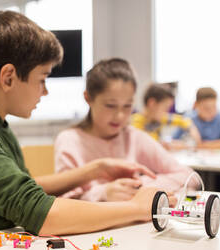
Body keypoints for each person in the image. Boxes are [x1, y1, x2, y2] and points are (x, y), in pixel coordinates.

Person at [0, 11, 164, 237]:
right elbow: (37, 211)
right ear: (8, 77)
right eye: (42, 79)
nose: (45, 91)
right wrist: (137, 208)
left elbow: (25, 188)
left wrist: (96, 170)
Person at [54, 59, 194, 202]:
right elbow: (65, 201)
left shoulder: (134, 136)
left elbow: (189, 176)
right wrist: (104, 193)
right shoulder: (70, 140)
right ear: (88, 98)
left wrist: (140, 187)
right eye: (110, 105)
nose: (120, 116)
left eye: (127, 106)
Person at [131, 83, 201, 148]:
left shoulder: (158, 118)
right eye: (165, 108)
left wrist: (192, 128)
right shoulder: (134, 123)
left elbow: (183, 120)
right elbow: (143, 145)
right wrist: (163, 144)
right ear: (152, 103)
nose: (166, 112)